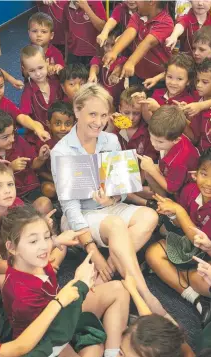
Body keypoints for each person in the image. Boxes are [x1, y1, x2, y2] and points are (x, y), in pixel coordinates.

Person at [50, 83, 167, 316]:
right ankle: (147, 296)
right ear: (77, 111)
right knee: (114, 225)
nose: (99, 122)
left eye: (104, 115)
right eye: (92, 114)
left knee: (149, 215)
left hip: (108, 210)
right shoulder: (61, 151)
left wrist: (113, 198)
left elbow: (121, 189)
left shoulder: (110, 140)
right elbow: (69, 207)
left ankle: (110, 268)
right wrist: (92, 250)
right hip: (81, 217)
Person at [0, 205, 129, 357]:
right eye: (34, 241)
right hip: (45, 338)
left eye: (46, 237)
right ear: (12, 248)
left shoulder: (29, 259)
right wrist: (80, 283)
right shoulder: (22, 295)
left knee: (118, 290)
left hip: (60, 307)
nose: (44, 247)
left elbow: (41, 246)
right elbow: (57, 330)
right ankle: (102, 330)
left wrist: (57, 240)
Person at [145, 146, 211, 325]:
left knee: (206, 281)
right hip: (185, 244)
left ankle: (176, 276)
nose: (209, 183)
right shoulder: (191, 190)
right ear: (196, 173)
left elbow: (201, 241)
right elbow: (179, 224)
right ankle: (196, 299)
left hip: (209, 254)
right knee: (152, 254)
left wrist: (179, 212)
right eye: (204, 174)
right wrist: (171, 214)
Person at [0, 108, 53, 213]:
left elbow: (33, 165)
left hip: (30, 190)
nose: (12, 139)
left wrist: (41, 158)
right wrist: (10, 169)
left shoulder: (18, 142)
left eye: (13, 133)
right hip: (6, 197)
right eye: (5, 137)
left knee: (44, 204)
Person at [102, 0, 174, 83]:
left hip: (158, 78)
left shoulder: (166, 22)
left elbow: (148, 43)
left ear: (151, 2)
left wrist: (131, 62)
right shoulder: (137, 15)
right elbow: (130, 31)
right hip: (138, 73)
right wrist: (114, 52)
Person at [138, 105, 199, 196]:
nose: (154, 144)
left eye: (160, 141)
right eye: (152, 137)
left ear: (176, 140)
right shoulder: (171, 136)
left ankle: (166, 201)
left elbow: (172, 189)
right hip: (172, 172)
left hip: (183, 190)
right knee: (148, 169)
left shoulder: (179, 160)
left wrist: (152, 170)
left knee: (149, 172)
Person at [144, 25, 211, 90]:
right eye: (194, 48)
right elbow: (174, 70)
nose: (196, 53)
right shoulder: (192, 61)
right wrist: (155, 79)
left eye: (201, 50)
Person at [20, 44, 63, 150]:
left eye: (40, 68)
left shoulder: (56, 80)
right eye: (32, 71)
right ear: (24, 70)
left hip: (62, 129)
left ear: (47, 62)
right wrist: (37, 128)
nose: (38, 74)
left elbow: (72, 85)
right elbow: (23, 116)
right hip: (41, 135)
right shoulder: (28, 91)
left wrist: (61, 70)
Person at [141, 53, 196, 122]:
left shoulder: (188, 102)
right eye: (169, 77)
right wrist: (144, 104)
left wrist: (158, 109)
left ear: (188, 81)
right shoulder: (158, 93)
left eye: (179, 79)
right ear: (165, 75)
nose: (173, 83)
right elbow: (150, 121)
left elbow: (173, 127)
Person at [39, 101, 75, 199]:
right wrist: (59, 181)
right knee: (48, 189)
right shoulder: (45, 144)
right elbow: (40, 171)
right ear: (48, 124)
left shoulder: (77, 143)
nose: (63, 128)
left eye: (68, 124)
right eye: (58, 123)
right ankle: (58, 206)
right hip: (52, 181)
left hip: (74, 181)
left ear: (74, 124)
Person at [112, 85, 158, 161]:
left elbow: (150, 159)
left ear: (142, 111)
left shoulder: (148, 131)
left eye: (136, 113)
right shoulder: (114, 126)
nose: (131, 118)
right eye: (126, 113)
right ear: (119, 109)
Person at [89, 27, 127, 105]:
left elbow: (121, 66)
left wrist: (116, 72)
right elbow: (94, 66)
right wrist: (92, 74)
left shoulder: (123, 60)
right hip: (102, 101)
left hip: (118, 101)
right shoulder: (98, 59)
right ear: (102, 45)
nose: (110, 49)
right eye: (106, 45)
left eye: (113, 45)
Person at [65, 0, 106, 65]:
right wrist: (66, 57)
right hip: (72, 54)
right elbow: (67, 33)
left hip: (92, 54)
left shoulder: (96, 2)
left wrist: (86, 7)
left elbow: (102, 28)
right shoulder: (66, 5)